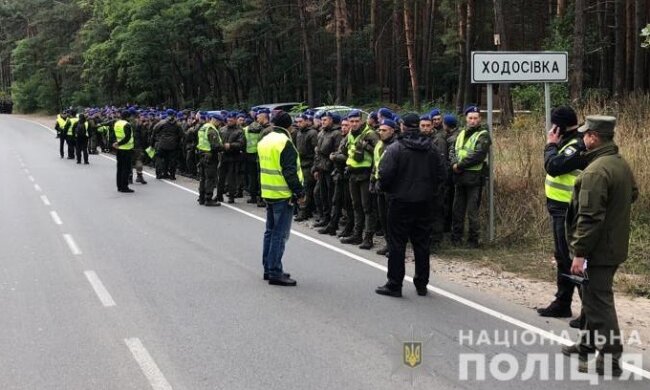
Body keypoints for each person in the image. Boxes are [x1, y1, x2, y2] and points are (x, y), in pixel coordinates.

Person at [562, 115, 638, 377]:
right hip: (612, 243)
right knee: (590, 295)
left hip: (598, 249)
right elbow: (634, 194)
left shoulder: (596, 170)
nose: (583, 138)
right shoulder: (619, 164)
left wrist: (580, 252)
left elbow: (590, 217)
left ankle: (610, 360)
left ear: (594, 137)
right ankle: (586, 344)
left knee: (598, 301)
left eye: (585, 134)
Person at [375, 113, 446, 297]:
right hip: (425, 202)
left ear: (403, 127)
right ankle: (421, 283)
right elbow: (442, 174)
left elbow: (385, 174)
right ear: (419, 127)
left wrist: (387, 190)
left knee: (397, 243)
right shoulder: (432, 149)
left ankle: (394, 284)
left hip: (400, 202)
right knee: (422, 243)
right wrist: (432, 193)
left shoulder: (396, 148)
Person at [537, 106, 588, 320]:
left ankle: (590, 312)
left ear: (559, 126)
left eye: (553, 125)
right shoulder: (568, 141)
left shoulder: (576, 145)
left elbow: (554, 166)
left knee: (573, 259)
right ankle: (562, 302)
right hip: (558, 207)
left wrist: (550, 145)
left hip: (568, 210)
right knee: (562, 257)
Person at [257, 112, 305, 286]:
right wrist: (299, 192)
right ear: (289, 126)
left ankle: (268, 268)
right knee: (280, 234)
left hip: (268, 191)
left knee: (270, 231)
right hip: (283, 194)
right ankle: (275, 271)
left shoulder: (264, 141)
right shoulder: (285, 143)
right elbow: (290, 172)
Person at [450, 106, 491, 248]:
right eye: (470, 118)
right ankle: (456, 238)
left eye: (475, 118)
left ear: (480, 119)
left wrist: (459, 165)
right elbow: (453, 149)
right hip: (459, 177)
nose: (473, 121)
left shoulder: (483, 135)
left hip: (474, 178)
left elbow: (478, 155)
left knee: (472, 211)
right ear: (466, 119)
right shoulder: (461, 133)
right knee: (457, 210)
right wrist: (454, 162)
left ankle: (473, 241)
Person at [339, 110, 379, 249]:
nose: (354, 124)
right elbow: (347, 151)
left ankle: (368, 238)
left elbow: (380, 152)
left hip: (366, 174)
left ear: (361, 121)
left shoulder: (370, 134)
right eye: (352, 122)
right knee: (356, 206)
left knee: (367, 207)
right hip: (352, 174)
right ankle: (357, 235)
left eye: (357, 121)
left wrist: (366, 146)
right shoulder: (350, 134)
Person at [370, 118, 398, 256]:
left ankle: (395, 246)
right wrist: (372, 181)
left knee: (392, 218)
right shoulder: (379, 144)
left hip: (391, 187)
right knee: (382, 217)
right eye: (380, 130)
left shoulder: (396, 146)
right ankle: (388, 243)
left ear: (392, 131)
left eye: (384, 130)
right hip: (379, 184)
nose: (381, 132)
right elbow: (375, 165)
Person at [294, 113, 319, 222]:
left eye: (301, 121)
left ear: (306, 121)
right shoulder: (298, 133)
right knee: (304, 188)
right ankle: (305, 210)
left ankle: (304, 211)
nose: (299, 124)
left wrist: (315, 166)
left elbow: (316, 151)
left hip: (309, 164)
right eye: (297, 122)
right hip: (301, 164)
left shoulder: (312, 133)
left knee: (307, 189)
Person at [196, 114, 224, 206]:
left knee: (203, 177)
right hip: (210, 157)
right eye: (219, 122)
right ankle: (208, 199)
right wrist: (224, 147)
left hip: (202, 154)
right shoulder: (211, 130)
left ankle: (201, 198)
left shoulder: (203, 127)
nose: (219, 124)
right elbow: (215, 146)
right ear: (216, 121)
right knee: (210, 178)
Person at [218, 112, 245, 203]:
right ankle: (219, 195)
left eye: (231, 120)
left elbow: (241, 144)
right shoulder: (222, 129)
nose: (229, 121)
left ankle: (231, 196)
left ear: (235, 120)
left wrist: (231, 145)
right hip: (223, 156)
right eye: (228, 120)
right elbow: (218, 141)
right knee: (220, 177)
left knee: (231, 178)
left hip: (234, 156)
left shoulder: (240, 131)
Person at [152, 109, 184, 180]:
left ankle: (159, 174)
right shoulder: (177, 124)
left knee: (159, 159)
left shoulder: (162, 122)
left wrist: (153, 141)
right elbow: (182, 134)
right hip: (173, 145)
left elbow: (154, 130)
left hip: (162, 143)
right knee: (172, 160)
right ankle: (172, 175)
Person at [111, 110, 135, 193]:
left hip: (119, 149)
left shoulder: (117, 123)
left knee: (120, 168)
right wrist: (118, 143)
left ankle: (119, 186)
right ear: (128, 117)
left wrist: (115, 143)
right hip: (126, 149)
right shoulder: (127, 124)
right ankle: (124, 187)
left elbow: (113, 134)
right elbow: (127, 137)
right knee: (126, 169)